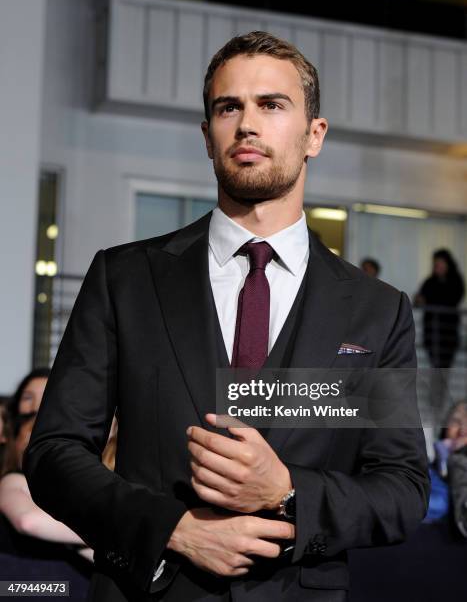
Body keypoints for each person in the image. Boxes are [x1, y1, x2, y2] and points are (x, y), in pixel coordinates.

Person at [24, 31, 429, 602]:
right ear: (207, 137)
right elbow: (53, 453)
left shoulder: (376, 311)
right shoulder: (126, 278)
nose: (247, 124)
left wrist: (287, 491)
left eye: (272, 104)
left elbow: (402, 489)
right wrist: (173, 531)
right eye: (228, 106)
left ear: (315, 135)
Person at [414, 249, 465, 369]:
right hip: (431, 331)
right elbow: (419, 299)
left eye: (440, 262)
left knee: (444, 368)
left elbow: (452, 300)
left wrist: (428, 299)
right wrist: (419, 299)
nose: (437, 265)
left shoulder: (456, 281)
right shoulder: (430, 281)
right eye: (435, 262)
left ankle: (439, 387)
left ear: (448, 263)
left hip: (448, 332)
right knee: (435, 367)